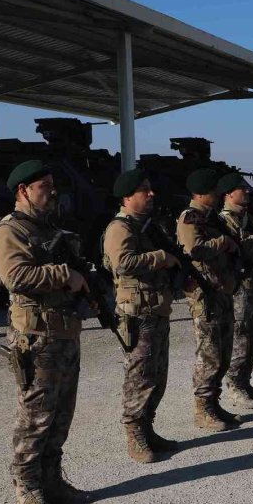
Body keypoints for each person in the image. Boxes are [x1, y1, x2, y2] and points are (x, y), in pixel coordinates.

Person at [0, 160, 92, 504]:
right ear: (23, 191)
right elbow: (16, 276)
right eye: (44, 186)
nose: (52, 191)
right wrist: (66, 274)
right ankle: (27, 488)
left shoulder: (49, 228)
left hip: (64, 333)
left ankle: (52, 481)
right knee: (35, 418)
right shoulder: (11, 231)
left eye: (52, 184)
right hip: (36, 338)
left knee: (60, 416)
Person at [103, 168, 181, 463]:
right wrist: (162, 258)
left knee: (157, 374)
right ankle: (134, 434)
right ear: (127, 197)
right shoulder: (120, 228)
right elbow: (123, 263)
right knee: (139, 376)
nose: (151, 194)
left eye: (150, 188)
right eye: (143, 190)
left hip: (155, 308)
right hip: (136, 313)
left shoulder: (145, 226)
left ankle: (148, 429)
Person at [176, 168, 245, 432]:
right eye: (214, 189)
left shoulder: (211, 217)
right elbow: (194, 249)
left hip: (221, 289)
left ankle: (214, 403)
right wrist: (223, 242)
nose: (218, 193)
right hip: (204, 294)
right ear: (202, 192)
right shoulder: (190, 217)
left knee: (224, 350)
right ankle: (203, 409)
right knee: (209, 353)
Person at [217, 172, 253, 409]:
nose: (247, 191)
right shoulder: (223, 221)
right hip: (237, 286)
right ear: (229, 194)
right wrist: (252, 241)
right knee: (240, 336)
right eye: (242, 188)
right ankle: (235, 385)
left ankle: (245, 381)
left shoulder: (249, 219)